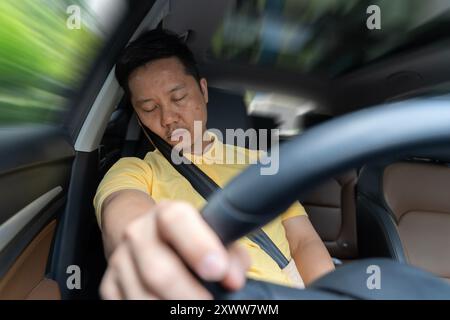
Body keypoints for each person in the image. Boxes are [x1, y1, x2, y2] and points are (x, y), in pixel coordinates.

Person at [93, 29, 335, 300]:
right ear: (139, 117)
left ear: (203, 91)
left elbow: (303, 240)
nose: (168, 118)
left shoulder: (259, 162)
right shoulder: (136, 170)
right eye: (149, 108)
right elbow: (123, 211)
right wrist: (140, 245)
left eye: (178, 98)